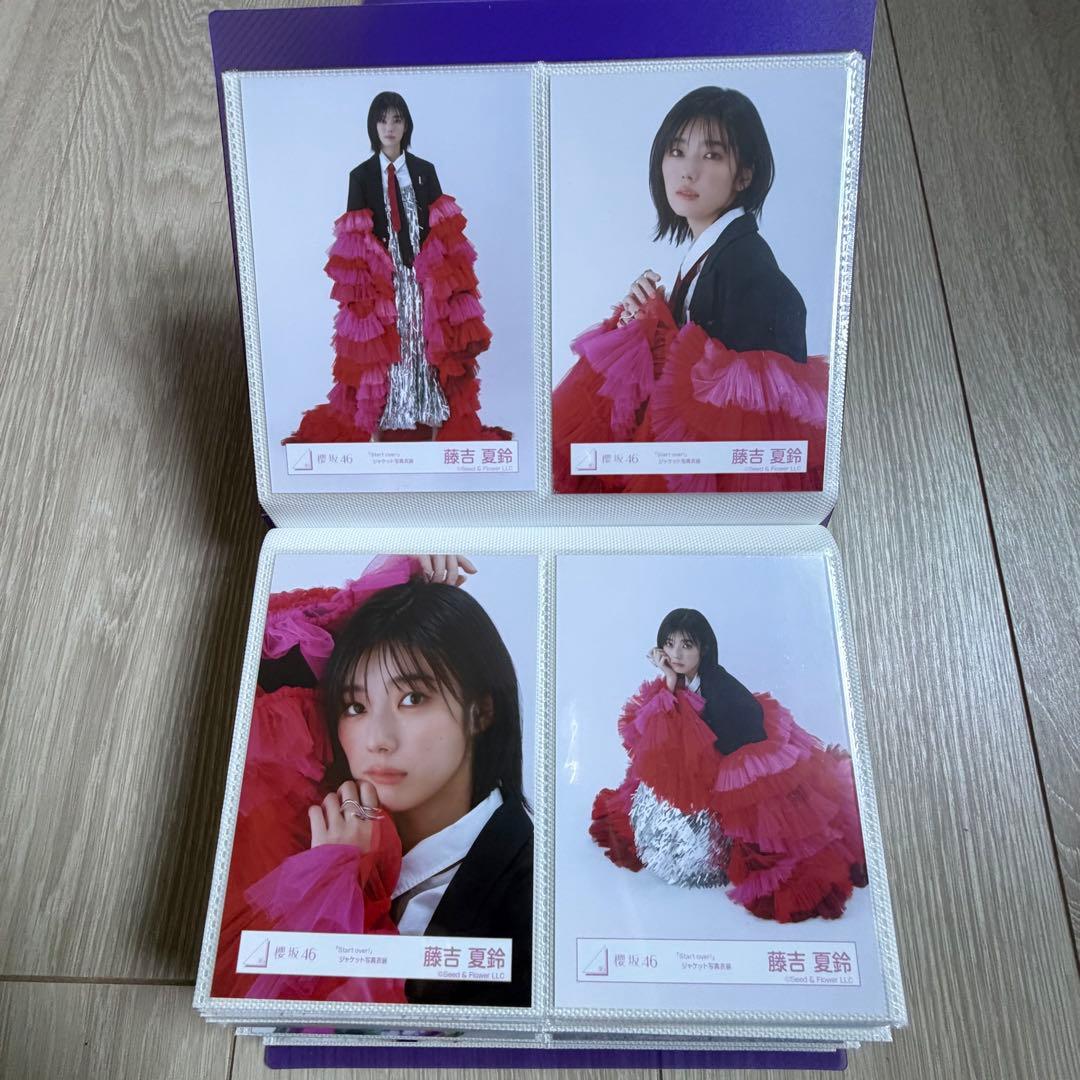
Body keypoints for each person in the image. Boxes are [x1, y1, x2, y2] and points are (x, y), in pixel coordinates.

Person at [212, 555, 533, 1007]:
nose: (378, 740)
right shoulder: (317, 835)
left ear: (480, 711)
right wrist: (382, 586)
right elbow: (248, 664)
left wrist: (335, 880)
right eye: (355, 707)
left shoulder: (533, 888)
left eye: (413, 698)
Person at [553, 86, 829, 494]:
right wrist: (645, 324)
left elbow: (737, 420)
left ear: (745, 174)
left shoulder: (745, 265)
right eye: (677, 151)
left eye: (712, 155)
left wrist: (659, 332)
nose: (688, 171)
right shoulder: (714, 255)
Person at [590, 608, 867, 923]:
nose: (676, 654)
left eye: (687, 645)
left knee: (771, 843)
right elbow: (665, 727)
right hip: (722, 743)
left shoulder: (720, 689)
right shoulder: (684, 677)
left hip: (745, 751)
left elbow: (733, 730)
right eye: (669, 644)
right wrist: (669, 678)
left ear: (704, 649)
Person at [286, 92, 511, 444]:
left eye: (396, 120)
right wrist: (369, 284)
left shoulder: (424, 171)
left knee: (425, 343)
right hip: (383, 283)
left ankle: (430, 417)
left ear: (406, 125)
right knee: (382, 349)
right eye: (382, 120)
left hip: (422, 280)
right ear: (372, 126)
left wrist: (441, 276)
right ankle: (380, 426)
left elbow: (443, 228)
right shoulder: (361, 176)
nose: (389, 127)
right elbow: (355, 239)